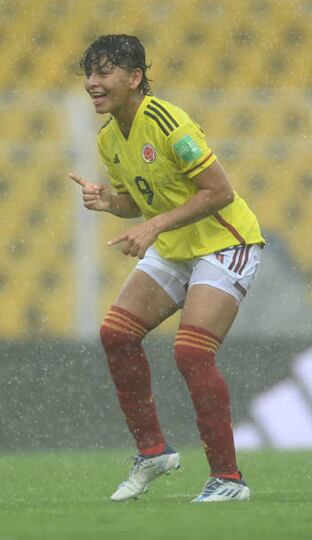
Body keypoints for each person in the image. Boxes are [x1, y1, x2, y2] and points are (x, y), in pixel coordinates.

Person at [70, 34, 265, 503]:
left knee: (192, 353)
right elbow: (137, 202)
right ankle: (153, 452)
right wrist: (109, 202)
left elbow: (219, 192)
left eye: (103, 73)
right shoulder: (108, 137)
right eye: (89, 75)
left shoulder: (167, 120)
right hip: (176, 245)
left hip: (225, 241)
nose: (93, 84)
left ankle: (228, 480)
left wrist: (153, 225)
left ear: (135, 78)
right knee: (116, 335)